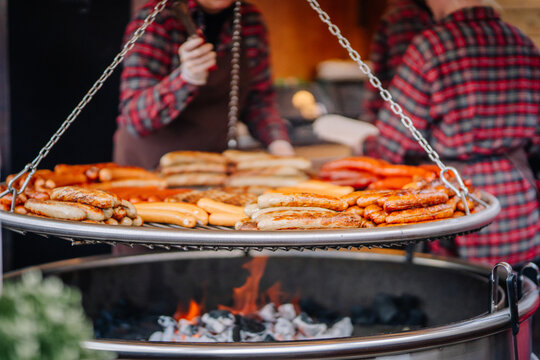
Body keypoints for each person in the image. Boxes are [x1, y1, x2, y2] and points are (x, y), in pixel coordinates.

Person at [362, 0, 540, 266]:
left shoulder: (431, 46)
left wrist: (363, 146)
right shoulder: (522, 42)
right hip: (520, 203)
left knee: (469, 296)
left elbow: (392, 141)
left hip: (460, 203)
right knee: (519, 294)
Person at [114, 0, 294, 169]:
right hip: (149, 165)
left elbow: (258, 101)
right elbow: (134, 116)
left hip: (212, 166)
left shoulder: (249, 20)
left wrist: (280, 146)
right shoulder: (158, 19)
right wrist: (185, 78)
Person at [362, 0, 433, 124]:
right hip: (397, 117)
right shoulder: (405, 16)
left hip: (397, 118)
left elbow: (406, 83)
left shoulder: (405, 15)